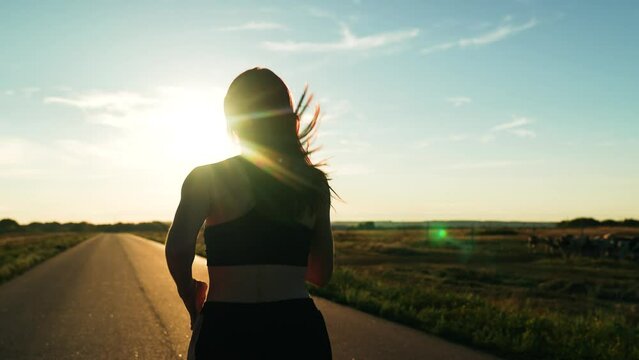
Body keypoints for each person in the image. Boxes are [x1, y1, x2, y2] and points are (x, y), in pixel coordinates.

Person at [165, 67, 334, 359]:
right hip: (298, 330)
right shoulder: (313, 185)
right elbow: (320, 273)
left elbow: (179, 250)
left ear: (233, 121)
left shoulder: (206, 178)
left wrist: (188, 291)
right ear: (287, 117)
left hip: (227, 328)